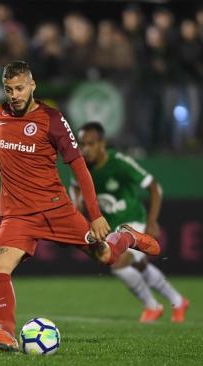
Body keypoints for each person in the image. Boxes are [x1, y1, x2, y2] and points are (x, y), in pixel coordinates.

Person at [0, 61, 160, 352]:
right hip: (17, 215)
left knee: (106, 256)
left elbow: (80, 168)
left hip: (57, 211)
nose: (14, 95)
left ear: (32, 86)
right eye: (8, 89)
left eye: (19, 88)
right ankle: (7, 333)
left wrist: (95, 215)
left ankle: (127, 236)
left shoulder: (52, 120)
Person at [70, 121, 189, 323]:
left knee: (117, 263)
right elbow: (75, 188)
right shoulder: (82, 167)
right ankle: (178, 301)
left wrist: (152, 221)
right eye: (82, 144)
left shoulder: (119, 162)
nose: (85, 149)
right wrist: (77, 204)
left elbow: (153, 187)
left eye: (90, 144)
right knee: (140, 265)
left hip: (133, 222)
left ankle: (152, 307)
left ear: (102, 144)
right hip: (111, 226)